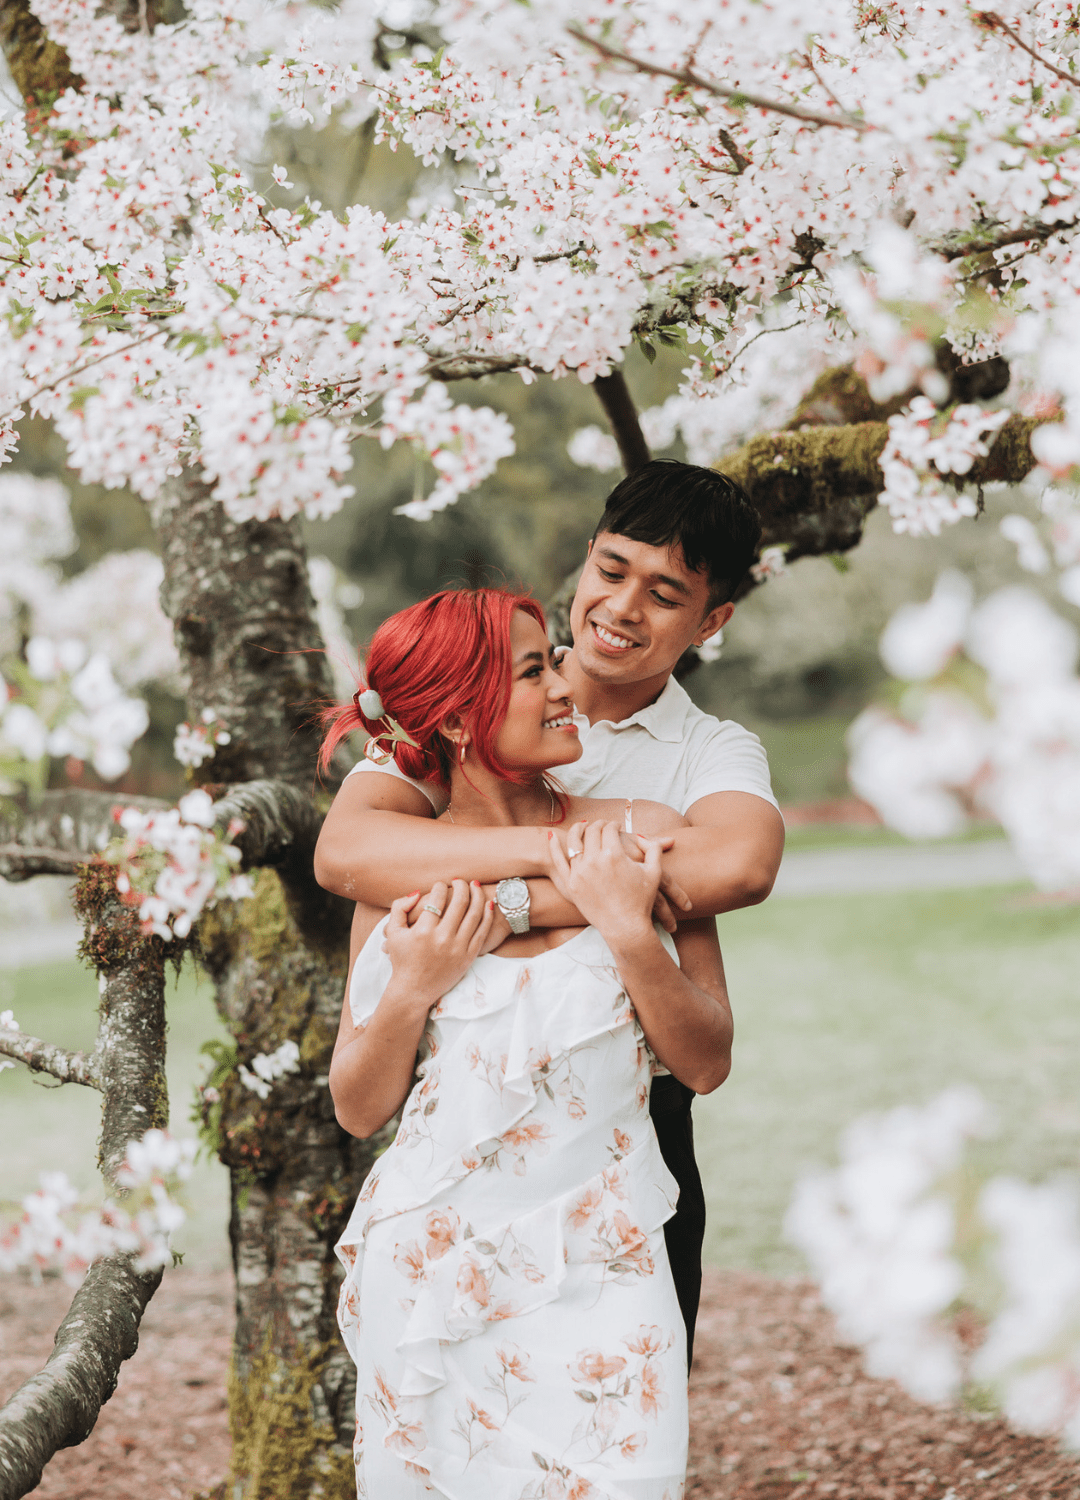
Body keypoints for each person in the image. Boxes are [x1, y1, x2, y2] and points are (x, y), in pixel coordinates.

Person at [315, 459, 785, 1364]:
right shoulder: (469, 690)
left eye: (665, 594)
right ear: (586, 557)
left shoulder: (706, 753)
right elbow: (348, 855)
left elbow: (736, 863)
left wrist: (494, 900)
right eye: (611, 570)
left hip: (631, 1138)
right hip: (461, 1135)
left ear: (711, 620)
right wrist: (573, 861)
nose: (622, 609)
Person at [326, 587, 732, 1499]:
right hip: (434, 1279)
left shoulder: (647, 837)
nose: (566, 689)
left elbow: (706, 1060)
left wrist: (628, 929)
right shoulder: (396, 876)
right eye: (536, 671)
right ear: (462, 723)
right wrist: (414, 989)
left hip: (613, 1265)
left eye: (555, 661)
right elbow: (356, 1106)